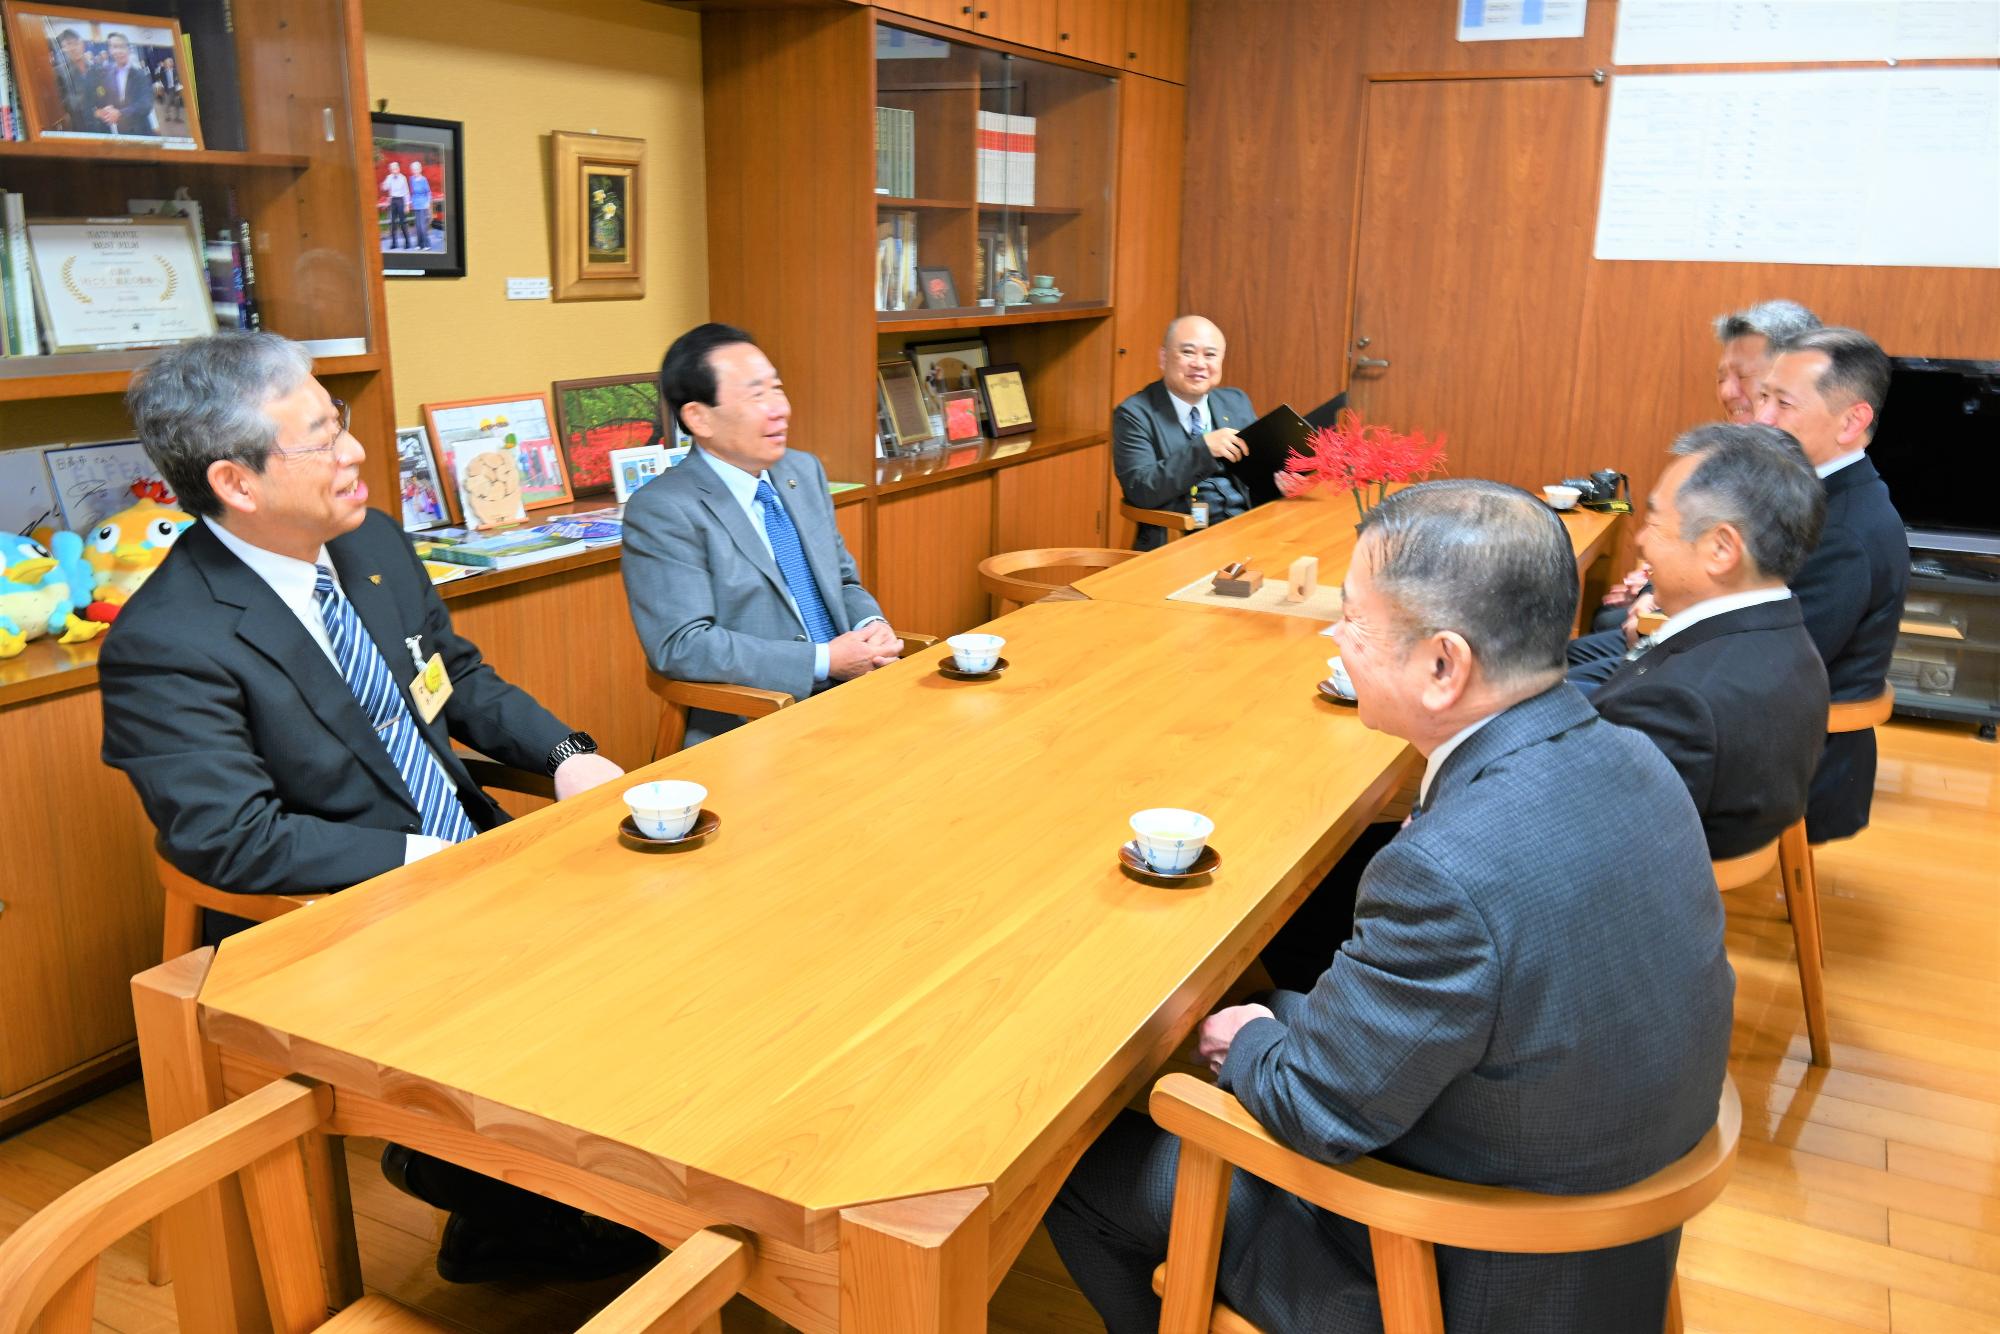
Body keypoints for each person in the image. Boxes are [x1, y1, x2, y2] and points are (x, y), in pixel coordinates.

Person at [1047, 480, 1734, 1334]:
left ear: (1444, 665)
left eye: (1356, 622)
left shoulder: (1447, 871)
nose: (1336, 635)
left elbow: (1311, 1110)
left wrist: (1250, 1041)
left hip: (1466, 1274)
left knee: (1083, 1165)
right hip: (1611, 1226)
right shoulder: (1636, 758)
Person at [99, 331, 651, 1285]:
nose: (355, 453)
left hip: (468, 860)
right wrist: (426, 863)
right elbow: (233, 840)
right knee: (570, 983)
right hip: (335, 915)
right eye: (321, 437)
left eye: (338, 420)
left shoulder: (369, 544)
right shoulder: (167, 643)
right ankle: (471, 1177)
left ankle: (534, 1196)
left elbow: (456, 679)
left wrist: (566, 756)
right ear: (236, 482)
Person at [623, 323, 900, 747]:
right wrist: (825, 661)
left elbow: (842, 581)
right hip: (757, 725)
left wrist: (871, 623)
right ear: (698, 417)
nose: (780, 409)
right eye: (756, 395)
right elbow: (682, 646)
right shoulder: (664, 509)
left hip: (858, 699)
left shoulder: (802, 471)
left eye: (778, 388)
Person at [1592, 423, 1829, 858]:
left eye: (1655, 524)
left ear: (1722, 549)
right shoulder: (1779, 627)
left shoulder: (1680, 704)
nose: (1641, 541)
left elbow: (1596, 840)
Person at [1570, 298, 1822, 678]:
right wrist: (1654, 586)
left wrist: (1660, 601)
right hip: (1689, 640)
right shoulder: (1747, 455)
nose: (1727, 391)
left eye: (1744, 376)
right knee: (1571, 653)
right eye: (1722, 377)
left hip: (1711, 664)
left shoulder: (1795, 478)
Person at [1753, 326, 1908, 843]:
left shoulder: (1845, 533)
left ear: (1851, 421)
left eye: (1783, 404)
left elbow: (1773, 670)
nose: (1762, 419)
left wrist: (1656, 634)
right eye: (1763, 397)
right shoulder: (1817, 492)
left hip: (1786, 759)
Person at [1113, 315, 1257, 551]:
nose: (1200, 364)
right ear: (1163, 357)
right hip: (1181, 540)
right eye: (1188, 352)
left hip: (1248, 528)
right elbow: (1140, 490)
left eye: (1210, 355)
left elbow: (1256, 471)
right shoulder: (1134, 414)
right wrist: (1204, 449)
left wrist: (1279, 483)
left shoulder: (1236, 401)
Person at [93, 32, 155, 136]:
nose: (119, 51)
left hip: (142, 132)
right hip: (121, 132)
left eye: (122, 46)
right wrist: (101, 110)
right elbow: (103, 96)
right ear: (110, 50)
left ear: (128, 49)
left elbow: (146, 104)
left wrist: (120, 113)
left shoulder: (140, 75)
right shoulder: (106, 73)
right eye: (114, 47)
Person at [51, 28, 99, 133]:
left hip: (101, 127)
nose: (74, 48)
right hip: (78, 129)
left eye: (76, 43)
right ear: (63, 49)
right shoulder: (58, 73)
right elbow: (66, 103)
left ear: (82, 44)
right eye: (68, 44)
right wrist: (92, 112)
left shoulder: (95, 69)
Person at [381, 160, 412, 249]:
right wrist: (384, 184)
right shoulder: (389, 177)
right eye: (392, 169)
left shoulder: (403, 178)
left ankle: (407, 242)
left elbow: (406, 192)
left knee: (403, 223)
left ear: (398, 168)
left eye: (395, 168)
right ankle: (394, 243)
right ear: (390, 169)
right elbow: (385, 188)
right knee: (393, 223)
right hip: (393, 201)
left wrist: (407, 205)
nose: (394, 170)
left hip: (400, 200)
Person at [408, 161, 433, 251]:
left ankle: (427, 244)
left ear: (420, 169)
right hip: (416, 204)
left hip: (423, 204)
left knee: (422, 226)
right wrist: (410, 202)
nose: (415, 171)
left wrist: (427, 203)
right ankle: (419, 244)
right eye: (413, 169)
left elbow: (428, 193)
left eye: (416, 169)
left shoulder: (423, 180)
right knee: (417, 226)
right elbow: (412, 192)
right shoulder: (411, 179)